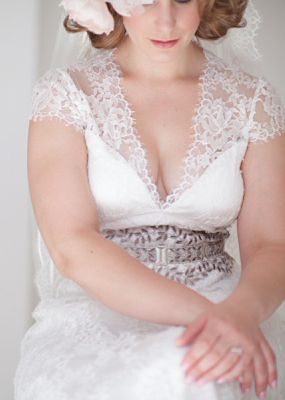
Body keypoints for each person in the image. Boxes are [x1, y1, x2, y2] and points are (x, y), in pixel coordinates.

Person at [14, 0, 285, 399]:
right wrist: (208, 319)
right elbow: (71, 245)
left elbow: (272, 245)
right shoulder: (68, 94)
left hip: (229, 307)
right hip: (97, 314)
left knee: (200, 376)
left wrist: (239, 315)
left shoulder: (252, 101)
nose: (165, 20)